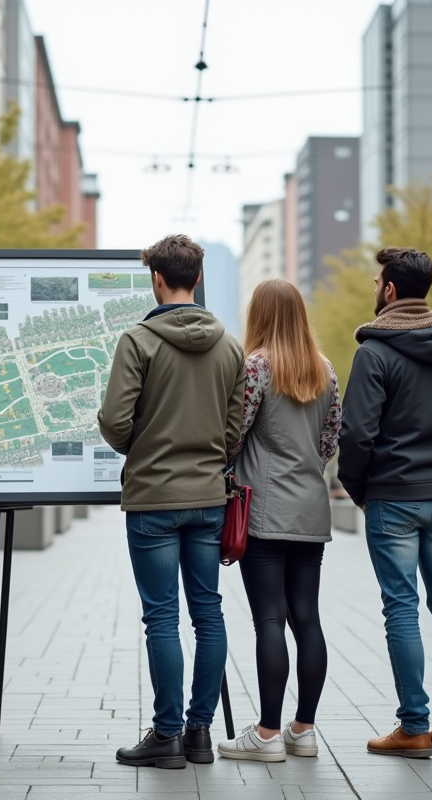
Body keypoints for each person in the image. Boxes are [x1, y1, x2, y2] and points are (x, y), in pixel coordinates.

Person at [99, 234, 245, 769]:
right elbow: (234, 433)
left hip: (153, 499)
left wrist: (144, 444)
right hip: (209, 498)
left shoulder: (137, 342)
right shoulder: (230, 346)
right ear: (198, 278)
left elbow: (115, 422)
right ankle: (200, 733)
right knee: (208, 612)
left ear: (157, 279)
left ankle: (165, 736)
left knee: (162, 617)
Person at [337, 246, 432, 759]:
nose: (376, 289)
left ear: (391, 290)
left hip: (392, 498)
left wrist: (360, 488)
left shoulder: (374, 354)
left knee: (401, 608)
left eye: (379, 282)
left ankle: (414, 726)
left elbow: (355, 435)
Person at [216, 279, 341, 763]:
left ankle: (267, 733)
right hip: (312, 509)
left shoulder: (256, 366)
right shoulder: (324, 369)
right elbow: (330, 442)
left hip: (264, 511)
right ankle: (302, 730)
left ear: (260, 316)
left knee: (269, 618)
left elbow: (234, 434)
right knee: (306, 618)